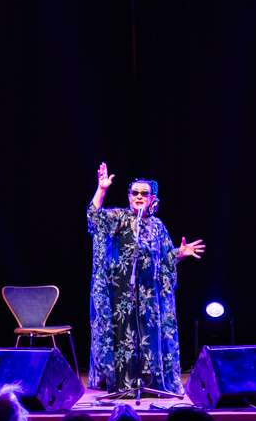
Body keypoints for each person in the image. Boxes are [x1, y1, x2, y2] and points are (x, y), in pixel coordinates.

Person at [87, 162, 205, 394]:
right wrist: (102, 189)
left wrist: (180, 253)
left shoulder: (157, 226)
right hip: (122, 296)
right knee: (125, 338)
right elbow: (94, 217)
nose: (139, 196)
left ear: (152, 199)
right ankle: (124, 384)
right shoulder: (119, 217)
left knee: (148, 338)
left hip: (150, 298)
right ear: (129, 196)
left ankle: (150, 383)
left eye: (144, 193)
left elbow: (165, 260)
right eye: (135, 193)